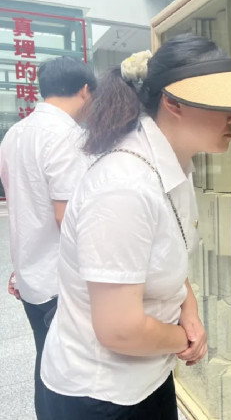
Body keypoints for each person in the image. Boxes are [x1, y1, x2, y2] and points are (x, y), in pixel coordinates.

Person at [41, 34, 231, 420]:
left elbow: (166, 253)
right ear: (172, 103)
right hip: (101, 394)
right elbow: (119, 329)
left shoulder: (173, 164)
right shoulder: (122, 187)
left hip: (148, 374)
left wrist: (188, 309)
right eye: (222, 104)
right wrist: (184, 337)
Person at [0, 56, 96, 420]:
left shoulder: (15, 133)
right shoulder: (67, 136)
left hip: (31, 276)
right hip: (61, 282)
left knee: (46, 364)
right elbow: (66, 217)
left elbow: (21, 203)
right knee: (72, 378)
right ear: (85, 90)